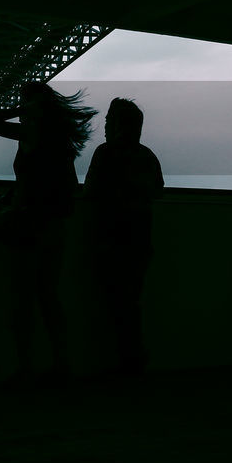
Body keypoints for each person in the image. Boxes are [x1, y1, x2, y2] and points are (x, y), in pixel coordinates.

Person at [0, 81, 97, 386]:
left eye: (24, 103)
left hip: (30, 225)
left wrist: (23, 108)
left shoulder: (32, 135)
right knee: (48, 297)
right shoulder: (58, 139)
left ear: (33, 107)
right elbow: (67, 187)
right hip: (53, 227)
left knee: (23, 298)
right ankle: (61, 364)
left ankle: (25, 368)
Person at [84, 98, 164, 377]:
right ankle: (132, 360)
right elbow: (157, 190)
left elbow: (91, 192)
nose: (105, 125)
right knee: (130, 302)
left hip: (111, 238)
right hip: (140, 240)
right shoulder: (147, 156)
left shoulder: (105, 153)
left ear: (118, 125)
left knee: (114, 303)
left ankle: (125, 361)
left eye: (109, 120)